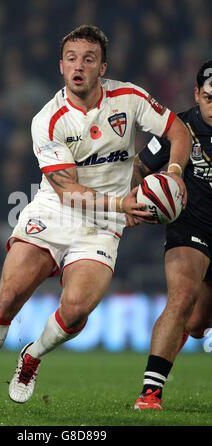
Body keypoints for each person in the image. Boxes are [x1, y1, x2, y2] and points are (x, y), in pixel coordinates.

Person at [0, 24, 191, 414]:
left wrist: (174, 171)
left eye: (89, 59)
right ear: (61, 66)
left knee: (76, 308)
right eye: (72, 58)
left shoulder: (129, 97)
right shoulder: (48, 119)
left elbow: (178, 129)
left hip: (102, 225)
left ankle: (33, 356)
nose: (79, 66)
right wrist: (122, 206)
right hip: (55, 211)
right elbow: (68, 192)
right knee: (8, 297)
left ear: (102, 67)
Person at [131, 60, 212, 410]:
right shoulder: (179, 127)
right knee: (181, 297)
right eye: (210, 97)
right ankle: (150, 393)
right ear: (197, 94)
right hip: (190, 225)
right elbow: (139, 166)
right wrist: (131, 201)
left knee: (197, 323)